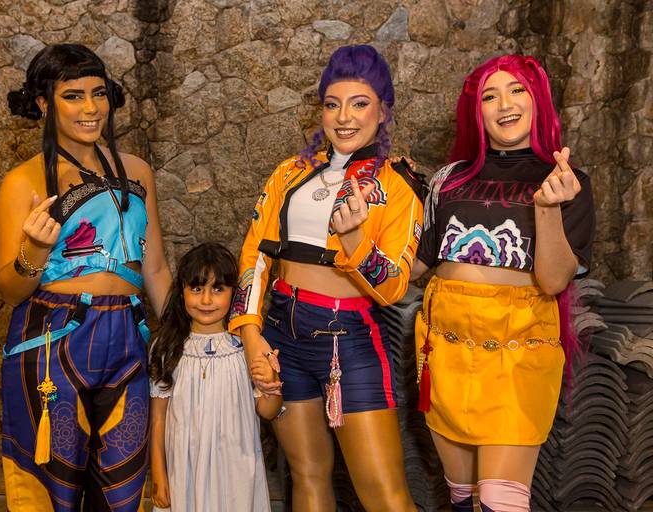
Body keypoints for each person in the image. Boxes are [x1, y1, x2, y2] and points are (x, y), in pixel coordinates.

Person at [230, 44, 425, 512]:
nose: (344, 117)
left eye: (359, 104)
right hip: (281, 334)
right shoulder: (289, 172)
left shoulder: (399, 186)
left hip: (348, 340)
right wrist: (251, 334)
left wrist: (355, 240)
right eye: (333, 104)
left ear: (383, 111)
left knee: (384, 494)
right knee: (307, 476)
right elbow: (256, 255)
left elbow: (393, 287)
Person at [410, 54, 595, 512]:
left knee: (498, 501)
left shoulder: (567, 181)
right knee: (462, 498)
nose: (504, 104)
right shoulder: (448, 180)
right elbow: (412, 268)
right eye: (489, 96)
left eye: (517, 91)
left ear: (538, 101)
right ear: (476, 112)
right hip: (445, 351)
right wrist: (359, 234)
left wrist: (548, 208)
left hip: (518, 355)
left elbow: (553, 281)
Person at [0, 44, 171, 511]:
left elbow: (154, 267)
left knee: (122, 487)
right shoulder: (24, 182)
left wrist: (185, 335)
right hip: (53, 337)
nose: (90, 108)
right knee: (52, 489)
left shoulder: (138, 172)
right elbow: (10, 289)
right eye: (73, 96)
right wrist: (34, 251)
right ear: (43, 103)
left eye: (98, 93)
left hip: (128, 335)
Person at [147, 242, 282, 511]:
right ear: (182, 291)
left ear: (234, 293)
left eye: (218, 289)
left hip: (237, 467)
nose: (206, 300)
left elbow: (268, 411)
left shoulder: (247, 347)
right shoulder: (167, 347)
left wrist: (271, 383)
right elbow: (158, 417)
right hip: (184, 466)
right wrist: (159, 473)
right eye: (197, 289)